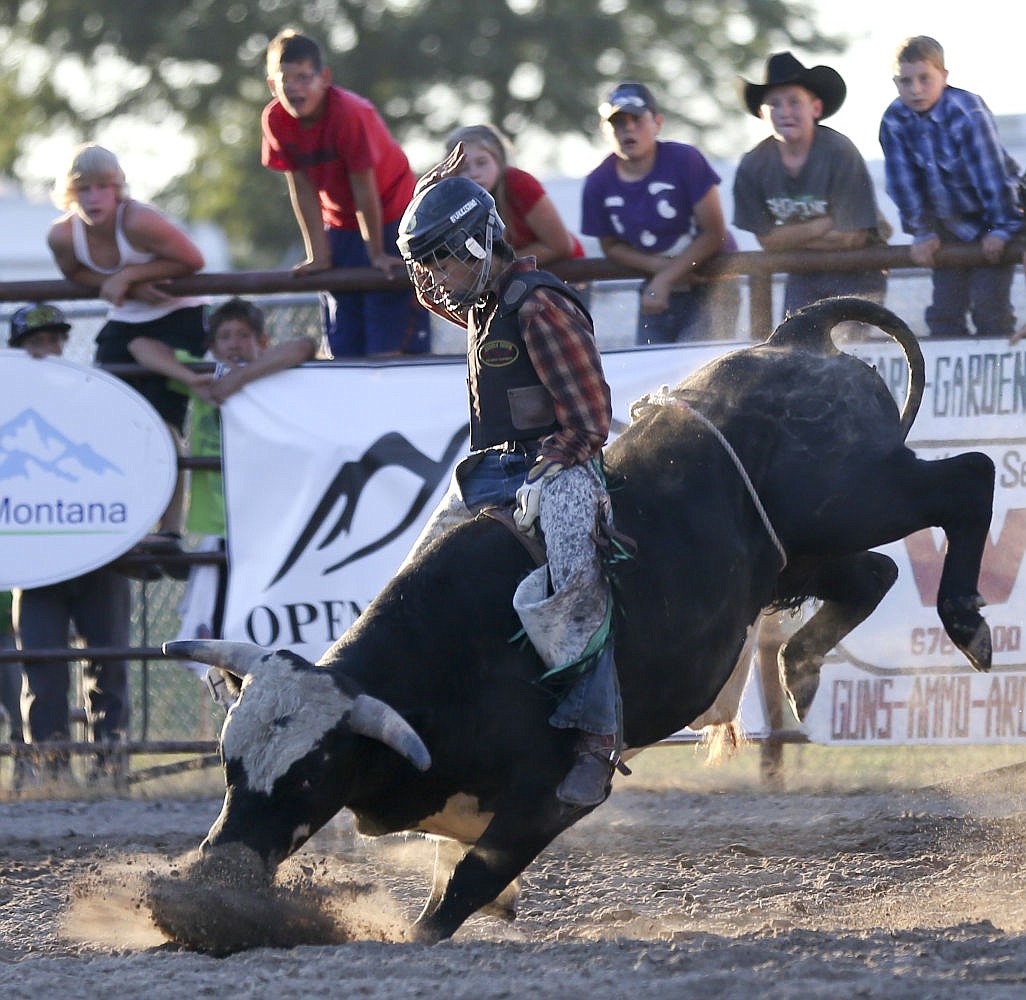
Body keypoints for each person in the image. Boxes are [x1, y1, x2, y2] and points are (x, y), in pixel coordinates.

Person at [397, 159, 623, 809]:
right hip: (491, 467)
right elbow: (428, 292)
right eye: (429, 264)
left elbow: (588, 419)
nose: (435, 279)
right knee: (417, 580)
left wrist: (552, 468)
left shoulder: (538, 305)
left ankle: (594, 735)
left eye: (443, 261)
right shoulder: (481, 305)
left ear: (477, 248)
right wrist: (426, 201)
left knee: (576, 577)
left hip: (561, 461)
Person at [47, 143, 213, 572]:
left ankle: (170, 533)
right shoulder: (63, 234)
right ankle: (129, 529)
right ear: (69, 192)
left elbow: (192, 259)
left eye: (104, 187)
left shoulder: (138, 220)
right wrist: (129, 288)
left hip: (179, 313)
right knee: (109, 416)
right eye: (84, 188)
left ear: (119, 189)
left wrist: (131, 275)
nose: (94, 197)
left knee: (163, 423)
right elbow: (75, 273)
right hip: (128, 316)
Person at [7, 303, 132, 785]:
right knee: (42, 665)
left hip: (95, 546)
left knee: (110, 661)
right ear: (18, 351)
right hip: (37, 557)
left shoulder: (95, 397)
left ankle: (110, 764)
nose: (50, 350)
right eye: (37, 342)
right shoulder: (10, 404)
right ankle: (51, 767)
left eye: (55, 340)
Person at [169, 297, 317, 695]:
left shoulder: (273, 377)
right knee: (217, 639)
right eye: (224, 337)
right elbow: (141, 348)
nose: (233, 344)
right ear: (212, 346)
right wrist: (199, 376)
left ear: (261, 341)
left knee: (262, 632)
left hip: (265, 531)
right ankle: (230, 711)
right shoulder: (201, 375)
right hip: (219, 528)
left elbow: (305, 345)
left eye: (243, 335)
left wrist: (240, 378)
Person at [261, 28, 430, 358]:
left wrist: (377, 252)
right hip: (340, 222)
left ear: (324, 78)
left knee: (388, 327)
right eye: (286, 79)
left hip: (393, 213)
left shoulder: (350, 113)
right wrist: (318, 253)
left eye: (304, 77)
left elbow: (364, 188)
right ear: (272, 84)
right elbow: (302, 187)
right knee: (344, 337)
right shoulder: (276, 120)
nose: (295, 88)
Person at [880, 35, 1023, 338]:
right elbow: (903, 184)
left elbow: (992, 174)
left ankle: (1000, 375)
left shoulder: (966, 111)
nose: (916, 89)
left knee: (989, 305)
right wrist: (922, 230)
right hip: (947, 226)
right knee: (944, 309)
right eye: (906, 81)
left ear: (944, 77)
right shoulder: (894, 121)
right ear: (895, 83)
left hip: (993, 217)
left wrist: (1001, 227)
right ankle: (941, 378)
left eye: (924, 78)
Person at [733, 52, 888, 321]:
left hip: (857, 268)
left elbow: (852, 235)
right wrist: (824, 224)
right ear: (762, 112)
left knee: (849, 345)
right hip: (803, 271)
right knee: (797, 346)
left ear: (815, 108)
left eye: (794, 101)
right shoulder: (752, 164)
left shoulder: (840, 152)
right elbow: (767, 240)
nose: (785, 112)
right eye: (774, 104)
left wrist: (789, 238)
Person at [580, 82, 739, 344]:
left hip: (711, 278)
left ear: (657, 122)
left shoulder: (685, 159)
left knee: (702, 363)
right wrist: (661, 270)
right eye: (618, 122)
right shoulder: (598, 182)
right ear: (605, 130)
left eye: (637, 120)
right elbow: (610, 245)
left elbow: (714, 233)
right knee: (654, 366)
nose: (628, 128)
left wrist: (665, 277)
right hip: (655, 282)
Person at [445, 124, 585, 266]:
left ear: (498, 159)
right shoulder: (455, 200)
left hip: (565, 275)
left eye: (482, 162)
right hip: (513, 281)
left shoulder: (519, 183)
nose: (474, 173)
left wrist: (499, 266)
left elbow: (561, 246)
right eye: (464, 168)